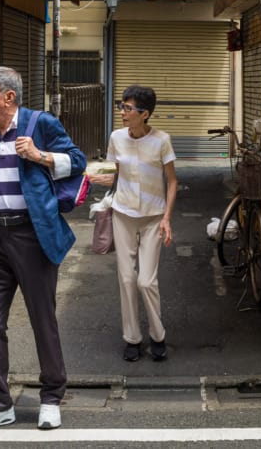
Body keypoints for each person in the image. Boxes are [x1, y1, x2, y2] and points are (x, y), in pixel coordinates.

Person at [0, 66, 86, 434]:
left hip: (33, 236)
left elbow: (77, 162)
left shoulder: (40, 124)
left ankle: (51, 397)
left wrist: (40, 155)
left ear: (9, 97)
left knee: (41, 318)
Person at [105, 85, 178, 363]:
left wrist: (167, 219)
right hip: (122, 215)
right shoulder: (116, 138)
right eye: (121, 106)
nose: (122, 112)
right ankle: (132, 339)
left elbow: (172, 181)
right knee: (126, 279)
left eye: (128, 108)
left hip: (153, 218)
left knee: (146, 281)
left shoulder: (161, 140)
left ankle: (158, 335)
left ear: (144, 114)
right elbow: (115, 173)